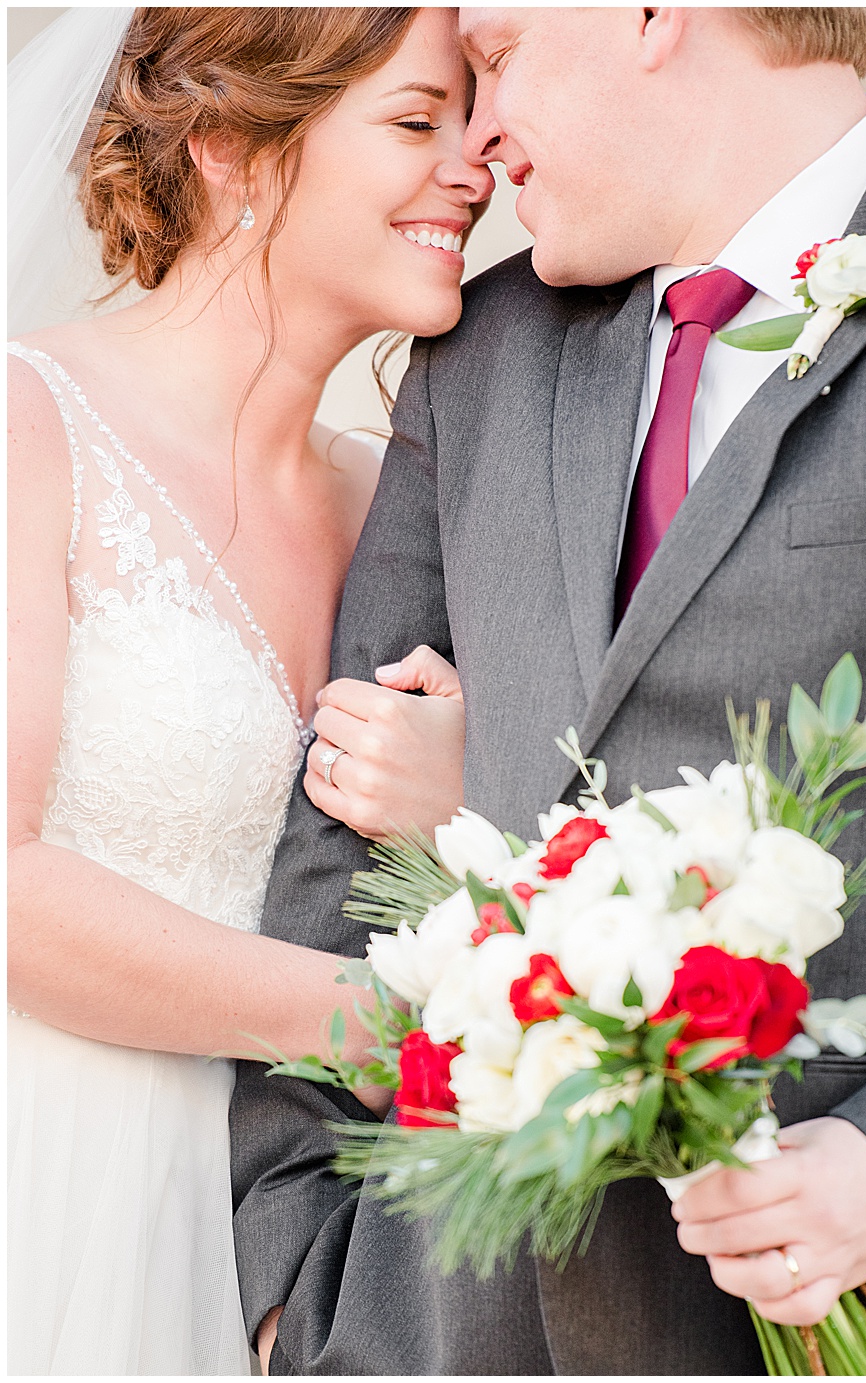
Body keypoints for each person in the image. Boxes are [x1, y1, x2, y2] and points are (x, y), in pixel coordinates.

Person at [231, 8, 866, 1374]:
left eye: (496, 58)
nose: (480, 141)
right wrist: (293, 1277)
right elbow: (335, 827)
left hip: (828, 1316)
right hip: (436, 1316)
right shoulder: (479, 354)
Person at [6, 8, 492, 1373]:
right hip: (66, 1186)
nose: (475, 165)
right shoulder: (28, 423)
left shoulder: (391, 504)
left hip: (319, 1238)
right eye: (416, 122)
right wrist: (388, 1020)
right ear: (230, 146)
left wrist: (462, 800)